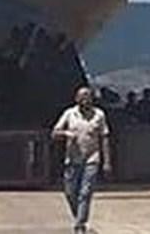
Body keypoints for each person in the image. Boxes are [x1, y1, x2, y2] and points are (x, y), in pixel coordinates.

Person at [52, 86, 110, 234]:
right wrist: (66, 134)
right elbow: (55, 133)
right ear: (76, 99)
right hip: (72, 159)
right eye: (82, 97)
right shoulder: (69, 114)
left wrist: (107, 161)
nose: (85, 99)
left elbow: (104, 138)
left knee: (85, 192)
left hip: (92, 158)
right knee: (70, 192)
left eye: (88, 96)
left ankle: (79, 225)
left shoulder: (99, 115)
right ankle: (79, 217)